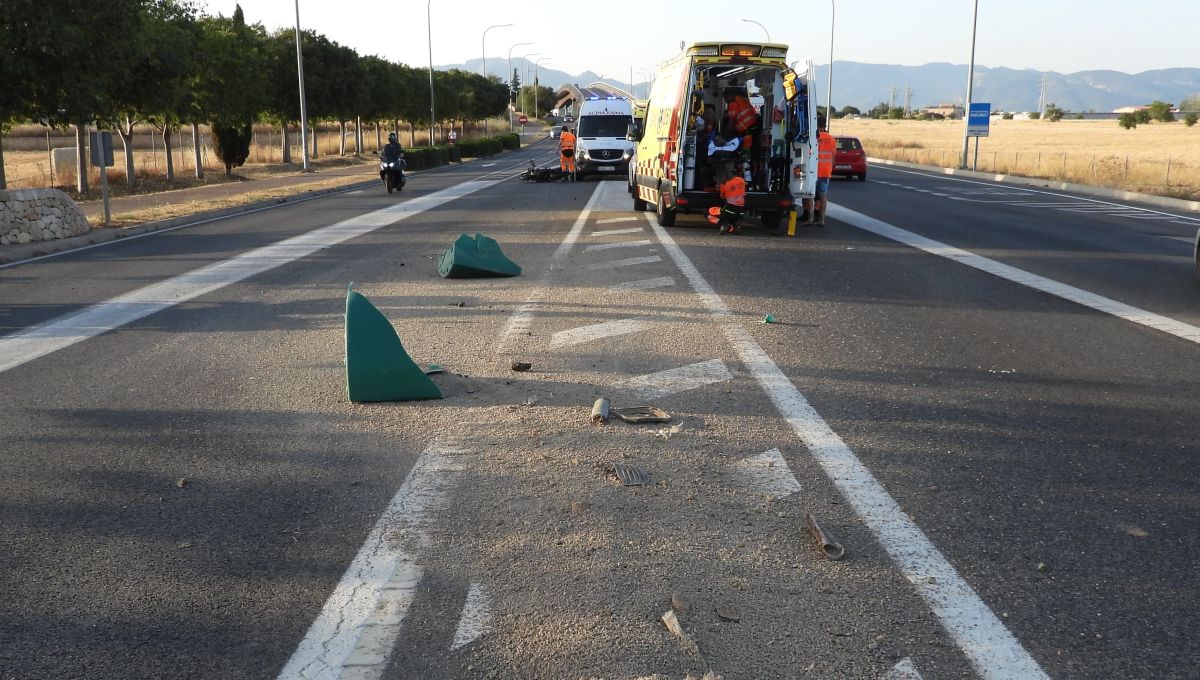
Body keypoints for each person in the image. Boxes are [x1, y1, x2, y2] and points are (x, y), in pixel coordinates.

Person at [722, 87, 762, 187]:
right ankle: (753, 180)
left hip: (747, 133)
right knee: (751, 157)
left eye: (725, 98)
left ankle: (748, 181)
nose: (725, 101)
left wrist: (724, 137)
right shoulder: (743, 100)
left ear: (729, 95)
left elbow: (731, 123)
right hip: (754, 130)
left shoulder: (733, 104)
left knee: (746, 157)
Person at [801, 117, 834, 226]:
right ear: (825, 125)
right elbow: (833, 157)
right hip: (826, 172)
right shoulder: (832, 139)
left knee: (810, 194)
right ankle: (822, 220)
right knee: (823, 195)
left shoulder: (814, 138)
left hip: (814, 171)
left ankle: (810, 218)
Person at [711, 160, 746, 235]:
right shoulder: (741, 181)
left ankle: (724, 225)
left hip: (730, 208)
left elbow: (722, 196)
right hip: (741, 208)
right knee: (737, 218)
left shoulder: (725, 184)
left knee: (710, 213)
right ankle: (737, 226)